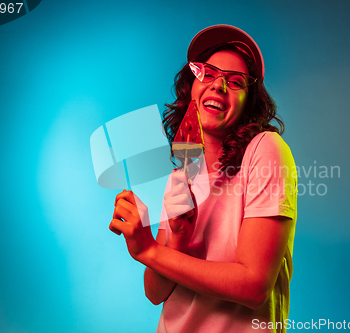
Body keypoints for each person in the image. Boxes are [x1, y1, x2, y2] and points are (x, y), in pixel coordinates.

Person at [109, 25, 297, 333]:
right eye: (207, 74)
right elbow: (155, 293)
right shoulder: (183, 172)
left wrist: (149, 250)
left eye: (235, 82)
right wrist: (178, 235)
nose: (218, 86)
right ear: (191, 87)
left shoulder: (265, 150)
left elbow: (254, 286)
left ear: (249, 102)